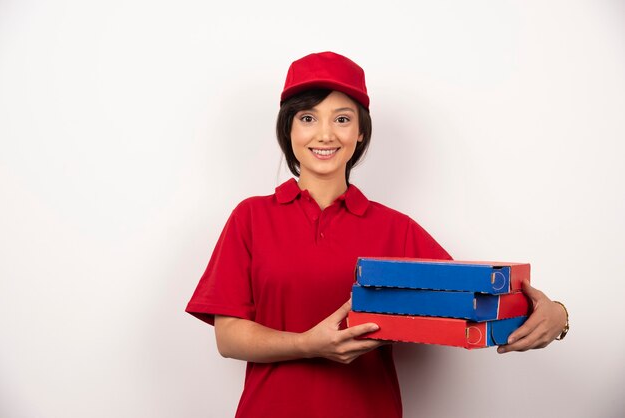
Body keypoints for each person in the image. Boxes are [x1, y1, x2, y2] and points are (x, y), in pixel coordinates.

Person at [185, 51, 569, 418]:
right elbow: (228, 337)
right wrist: (308, 344)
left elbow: (475, 301)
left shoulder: (395, 229)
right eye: (307, 118)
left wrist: (555, 315)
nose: (324, 134)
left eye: (341, 119)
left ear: (361, 134)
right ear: (288, 129)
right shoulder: (250, 217)